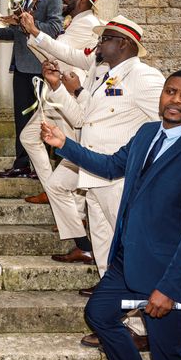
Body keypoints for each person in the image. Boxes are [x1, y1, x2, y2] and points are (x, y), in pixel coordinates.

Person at [41, 70, 181, 360]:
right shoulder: (147, 132)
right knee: (99, 314)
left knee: (168, 357)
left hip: (167, 272)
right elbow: (112, 166)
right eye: (170, 91)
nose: (175, 100)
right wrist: (65, 145)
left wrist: (172, 288)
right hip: (128, 260)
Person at [42, 15, 164, 287]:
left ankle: (137, 322)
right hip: (93, 173)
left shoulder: (144, 76)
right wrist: (57, 86)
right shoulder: (105, 76)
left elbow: (169, 125)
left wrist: (148, 168)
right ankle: (113, 313)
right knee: (104, 248)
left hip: (120, 177)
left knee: (129, 248)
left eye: (105, 38)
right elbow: (82, 119)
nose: (99, 44)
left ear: (123, 43)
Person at [17, 0, 101, 262]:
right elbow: (56, 52)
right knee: (30, 138)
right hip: (57, 93)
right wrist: (30, 33)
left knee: (72, 156)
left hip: (70, 100)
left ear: (84, 0)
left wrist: (36, 32)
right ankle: (55, 193)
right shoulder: (75, 25)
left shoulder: (88, 26)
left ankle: (74, 214)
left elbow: (69, 55)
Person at [0, 0, 64, 178]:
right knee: (21, 118)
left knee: (41, 119)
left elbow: (54, 28)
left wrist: (25, 22)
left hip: (40, 67)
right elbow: (17, 33)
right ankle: (22, 164)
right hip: (21, 66)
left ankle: (40, 167)